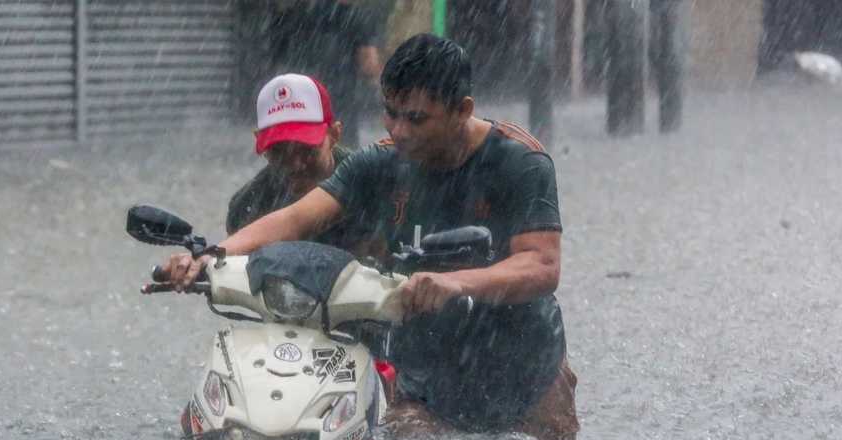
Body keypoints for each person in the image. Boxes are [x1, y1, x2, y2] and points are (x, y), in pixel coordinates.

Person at [166, 33, 579, 439]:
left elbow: (542, 264)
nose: (399, 130)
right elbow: (295, 218)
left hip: (526, 371)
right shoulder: (379, 163)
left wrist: (455, 282)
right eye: (390, 112)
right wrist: (209, 255)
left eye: (416, 118)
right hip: (423, 378)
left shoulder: (519, 161)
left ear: (461, 109)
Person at [226, 72, 370, 253]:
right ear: (258, 140)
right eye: (279, 152)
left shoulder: (372, 186)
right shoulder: (247, 206)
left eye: (307, 150)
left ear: (334, 135)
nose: (295, 165)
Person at [269, 0, 383, 148]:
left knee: (303, 156)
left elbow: (279, 54)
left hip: (300, 102)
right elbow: (368, 64)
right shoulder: (354, 16)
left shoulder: (301, 12)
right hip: (339, 104)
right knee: (341, 159)